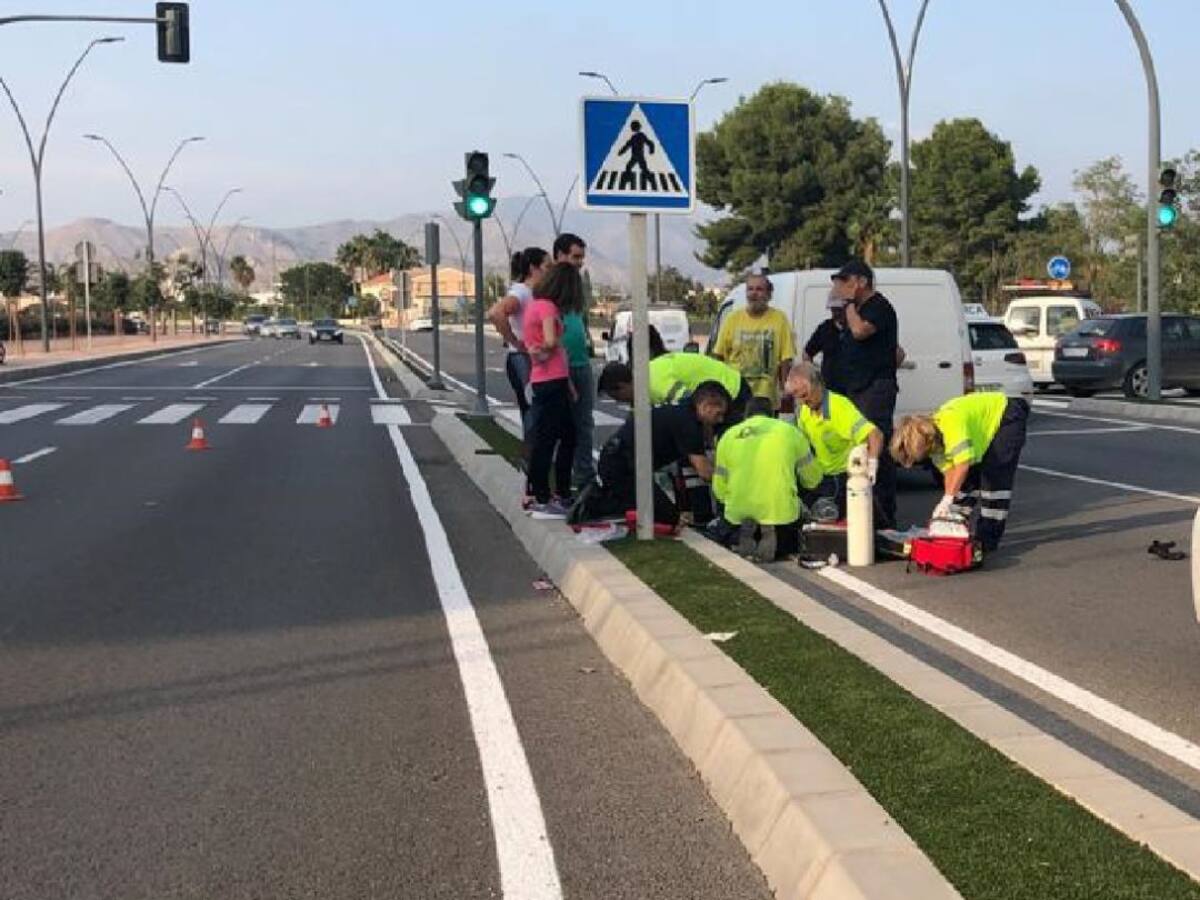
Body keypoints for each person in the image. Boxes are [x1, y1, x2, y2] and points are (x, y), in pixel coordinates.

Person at [569, 382, 731, 527]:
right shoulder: (688, 424)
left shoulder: (683, 409)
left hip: (619, 461)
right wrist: (732, 483)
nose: (720, 420)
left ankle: (609, 494)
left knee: (663, 511)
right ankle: (594, 504)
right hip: (623, 467)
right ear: (705, 405)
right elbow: (704, 472)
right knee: (668, 517)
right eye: (718, 414)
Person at [890, 392, 1029, 551]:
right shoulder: (934, 443)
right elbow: (950, 474)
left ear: (925, 442)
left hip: (1007, 415)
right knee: (966, 485)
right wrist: (945, 507)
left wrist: (947, 499)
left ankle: (987, 540)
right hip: (986, 429)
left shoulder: (951, 423)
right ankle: (953, 530)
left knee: (993, 483)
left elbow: (962, 465)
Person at [829, 260, 899, 527]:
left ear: (860, 281)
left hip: (875, 388)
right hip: (856, 387)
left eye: (845, 283)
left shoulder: (877, 307)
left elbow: (860, 332)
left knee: (874, 444)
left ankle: (881, 517)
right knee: (858, 444)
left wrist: (848, 307)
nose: (841, 289)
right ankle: (864, 510)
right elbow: (897, 350)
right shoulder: (858, 310)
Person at [712, 397, 824, 562]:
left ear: (746, 416)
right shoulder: (790, 432)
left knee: (732, 520)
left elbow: (719, 490)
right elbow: (813, 479)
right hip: (781, 516)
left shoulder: (728, 436)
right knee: (791, 524)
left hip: (737, 516)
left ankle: (747, 534)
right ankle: (770, 532)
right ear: (773, 415)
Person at [486, 247, 551, 490]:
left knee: (537, 414)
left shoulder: (536, 293)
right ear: (534, 268)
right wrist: (515, 342)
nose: (549, 270)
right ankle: (530, 468)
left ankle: (533, 468)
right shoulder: (521, 292)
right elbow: (496, 313)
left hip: (532, 360)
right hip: (522, 360)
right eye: (547, 266)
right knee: (533, 414)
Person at [785, 361, 883, 519]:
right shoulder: (804, 410)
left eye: (805, 396)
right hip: (821, 477)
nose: (803, 402)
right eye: (798, 398)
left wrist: (871, 466)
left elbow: (875, 435)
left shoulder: (839, 407)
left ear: (818, 385)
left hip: (843, 477)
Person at [522, 262, 582, 519]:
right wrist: (551, 347)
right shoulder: (547, 307)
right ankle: (544, 495)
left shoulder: (536, 306)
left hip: (553, 379)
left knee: (564, 436)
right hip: (550, 381)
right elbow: (549, 340)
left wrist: (567, 381)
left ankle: (556, 491)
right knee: (550, 439)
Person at [710, 273, 796, 413]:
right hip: (736, 397)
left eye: (759, 289)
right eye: (750, 289)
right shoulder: (733, 319)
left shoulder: (779, 319)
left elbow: (785, 359)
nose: (753, 294)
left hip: (766, 399)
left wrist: (785, 391)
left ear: (769, 294)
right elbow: (718, 357)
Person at [552, 233, 596, 491]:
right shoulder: (551, 288)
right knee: (560, 427)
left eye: (581, 257)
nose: (579, 262)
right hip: (560, 368)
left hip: (582, 364)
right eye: (575, 256)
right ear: (560, 255)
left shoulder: (578, 286)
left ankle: (585, 478)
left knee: (584, 423)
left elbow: (580, 319)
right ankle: (559, 480)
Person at [597, 351, 750, 415]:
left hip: (731, 390)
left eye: (617, 397)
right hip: (719, 390)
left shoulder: (656, 383)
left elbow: (689, 408)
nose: (621, 402)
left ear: (623, 386)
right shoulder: (643, 376)